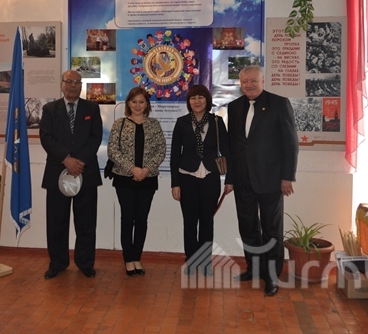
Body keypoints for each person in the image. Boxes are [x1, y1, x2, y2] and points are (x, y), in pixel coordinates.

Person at [224, 65, 299, 296]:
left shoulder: (279, 104)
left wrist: (287, 176)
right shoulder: (234, 107)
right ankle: (254, 268)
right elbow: (232, 147)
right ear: (240, 84)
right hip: (243, 180)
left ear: (263, 81)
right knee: (248, 228)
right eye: (245, 82)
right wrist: (230, 178)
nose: (249, 85)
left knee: (271, 229)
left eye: (253, 81)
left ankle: (272, 276)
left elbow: (290, 143)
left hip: (271, 179)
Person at [40, 69, 103, 279]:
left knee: (86, 223)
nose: (73, 85)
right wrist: (66, 159)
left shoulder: (92, 108)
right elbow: (46, 137)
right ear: (62, 84)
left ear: (81, 85)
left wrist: (79, 162)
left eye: (77, 82)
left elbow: (95, 138)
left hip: (86, 172)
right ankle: (57, 263)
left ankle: (85, 263)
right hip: (57, 171)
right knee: (56, 223)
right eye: (69, 81)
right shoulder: (50, 109)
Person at [170, 84, 232, 275]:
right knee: (189, 222)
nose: (197, 101)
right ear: (189, 102)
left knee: (207, 221)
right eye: (193, 98)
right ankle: (191, 260)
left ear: (207, 100)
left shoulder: (217, 122)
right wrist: (175, 183)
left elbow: (227, 151)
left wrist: (229, 180)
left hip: (210, 177)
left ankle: (205, 262)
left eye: (201, 97)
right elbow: (174, 155)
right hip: (186, 177)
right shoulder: (181, 122)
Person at [107, 87, 166, 276]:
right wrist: (133, 169)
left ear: (147, 104)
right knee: (127, 219)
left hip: (148, 179)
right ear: (128, 104)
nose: (138, 105)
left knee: (141, 220)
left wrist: (146, 170)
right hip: (125, 179)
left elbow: (161, 150)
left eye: (141, 102)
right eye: (134, 102)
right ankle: (128, 259)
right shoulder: (119, 124)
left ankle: (137, 258)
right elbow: (113, 151)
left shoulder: (154, 125)